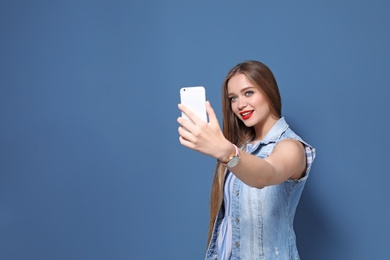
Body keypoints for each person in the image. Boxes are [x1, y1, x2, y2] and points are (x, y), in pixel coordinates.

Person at [177, 60, 316, 259]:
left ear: (269, 91)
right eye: (233, 98)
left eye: (249, 92)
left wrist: (226, 152)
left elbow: (266, 174)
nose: (240, 104)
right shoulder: (241, 148)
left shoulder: (291, 147)